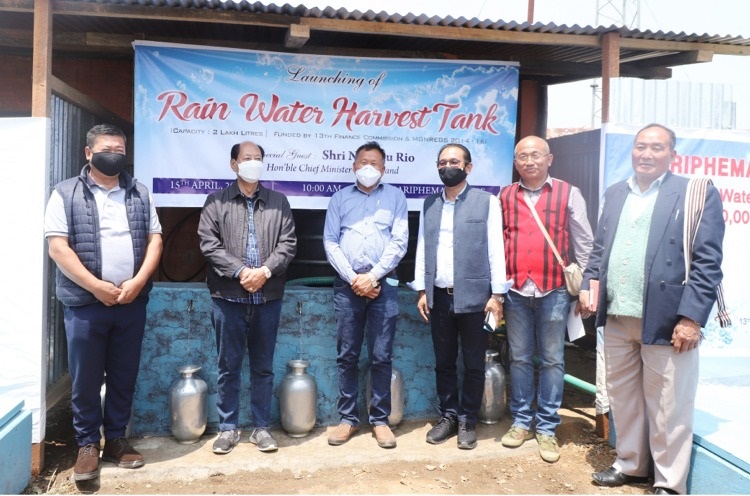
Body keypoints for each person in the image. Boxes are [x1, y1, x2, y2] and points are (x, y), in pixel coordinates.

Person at [582, 124, 725, 495]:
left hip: (667, 319)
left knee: (669, 405)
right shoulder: (616, 193)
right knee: (624, 398)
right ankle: (631, 464)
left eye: (657, 148)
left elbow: (708, 262)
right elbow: (600, 250)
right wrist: (587, 286)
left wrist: (691, 318)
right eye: (640, 146)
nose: (646, 154)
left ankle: (669, 483)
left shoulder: (693, 193)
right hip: (618, 316)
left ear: (673, 154)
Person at [44, 124, 163, 481]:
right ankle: (86, 445)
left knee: (124, 374)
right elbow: (58, 247)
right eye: (107, 149)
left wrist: (137, 282)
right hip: (85, 303)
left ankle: (116, 440)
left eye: (120, 150)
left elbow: (155, 240)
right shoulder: (65, 193)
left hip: (130, 301)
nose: (114, 155)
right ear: (89, 153)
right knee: (86, 378)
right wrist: (95, 286)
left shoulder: (139, 192)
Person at [497, 135, 593, 463]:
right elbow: (497, 242)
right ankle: (521, 421)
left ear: (549, 159)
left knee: (552, 359)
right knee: (520, 358)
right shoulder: (505, 196)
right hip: (515, 292)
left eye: (536, 155)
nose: (529, 161)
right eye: (523, 156)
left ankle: (548, 427)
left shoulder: (569, 193)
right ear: (515, 163)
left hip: (554, 291)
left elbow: (584, 243)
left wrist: (586, 287)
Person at [198, 141, 297, 454]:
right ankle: (228, 429)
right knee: (228, 367)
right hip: (228, 298)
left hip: (267, 298)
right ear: (234, 164)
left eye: (257, 158)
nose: (253, 162)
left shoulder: (278, 202)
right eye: (247, 158)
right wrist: (242, 272)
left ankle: (261, 428)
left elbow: (288, 244)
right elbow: (209, 244)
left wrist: (264, 272)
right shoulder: (216, 202)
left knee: (263, 367)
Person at [415, 143, 510, 450]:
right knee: (443, 362)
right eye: (442, 162)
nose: (447, 167)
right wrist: (422, 289)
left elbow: (496, 249)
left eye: (454, 162)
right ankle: (449, 416)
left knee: (473, 363)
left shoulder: (486, 202)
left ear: (468, 167)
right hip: (439, 297)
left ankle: (468, 419)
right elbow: (422, 247)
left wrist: (497, 295)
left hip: (476, 298)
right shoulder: (430, 203)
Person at [323, 141, 409, 449]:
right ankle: (348, 418)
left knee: (381, 355)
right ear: (354, 166)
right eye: (363, 162)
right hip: (347, 287)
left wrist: (372, 277)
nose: (368, 167)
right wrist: (354, 279)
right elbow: (331, 241)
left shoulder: (396, 198)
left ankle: (380, 420)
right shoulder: (339, 198)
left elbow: (399, 242)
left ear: (383, 169)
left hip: (384, 286)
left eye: (374, 163)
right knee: (347, 355)